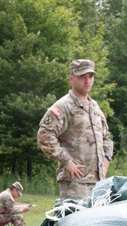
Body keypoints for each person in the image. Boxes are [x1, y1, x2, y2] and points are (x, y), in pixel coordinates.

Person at [37, 59, 114, 201]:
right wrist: (67, 162)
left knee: (96, 223)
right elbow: (44, 135)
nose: (87, 81)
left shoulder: (94, 106)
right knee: (75, 221)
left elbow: (106, 137)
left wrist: (106, 161)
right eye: (82, 77)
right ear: (71, 79)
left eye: (90, 76)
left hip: (98, 183)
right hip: (75, 184)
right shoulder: (63, 106)